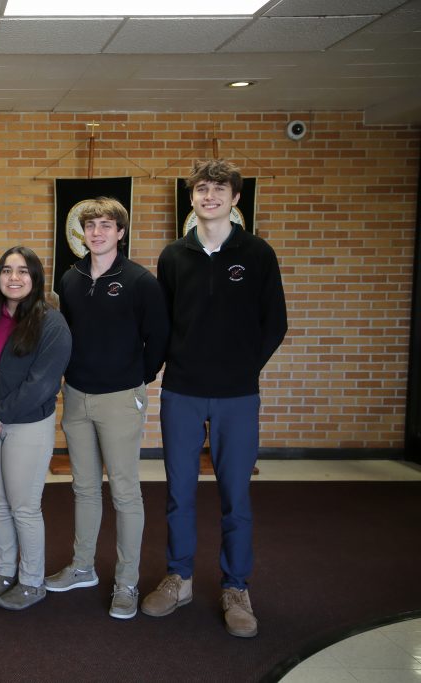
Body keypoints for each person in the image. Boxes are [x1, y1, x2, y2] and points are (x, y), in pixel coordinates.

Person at [141, 160, 287, 638]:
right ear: (192, 199)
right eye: (202, 189)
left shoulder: (258, 254)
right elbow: (163, 324)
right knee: (179, 493)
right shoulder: (173, 256)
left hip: (237, 396)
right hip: (182, 391)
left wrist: (244, 369)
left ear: (235, 199)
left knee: (235, 496)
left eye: (219, 189)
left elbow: (275, 323)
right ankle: (179, 578)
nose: (210, 196)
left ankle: (236, 586)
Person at [44, 198, 169, 619]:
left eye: (105, 225)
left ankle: (127, 582)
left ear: (120, 232)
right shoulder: (71, 278)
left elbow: (159, 338)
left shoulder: (139, 281)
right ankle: (83, 567)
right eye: (90, 226)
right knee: (83, 487)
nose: (97, 232)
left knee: (125, 490)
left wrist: (136, 379)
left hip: (120, 397)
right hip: (77, 395)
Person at [0, 246, 71, 611]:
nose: (14, 277)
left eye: (23, 271)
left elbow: (42, 381)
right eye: (7, 270)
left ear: (35, 278)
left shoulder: (51, 323)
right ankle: (5, 571)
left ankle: (32, 580)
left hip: (27, 425)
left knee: (24, 506)